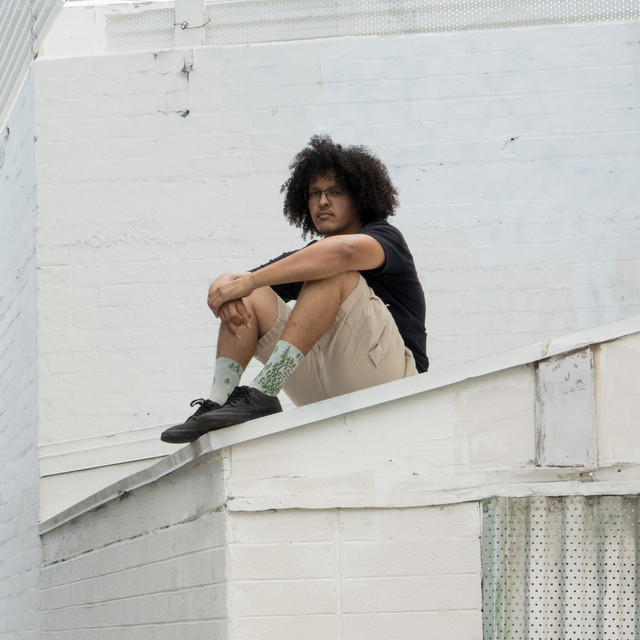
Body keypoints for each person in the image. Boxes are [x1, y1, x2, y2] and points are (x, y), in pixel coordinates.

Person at [161, 135, 428, 444]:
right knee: (251, 294)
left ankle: (265, 388)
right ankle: (217, 404)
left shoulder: (384, 238)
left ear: (360, 197)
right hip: (326, 385)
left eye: (335, 192)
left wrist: (246, 281)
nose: (323, 201)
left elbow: (342, 253)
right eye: (314, 193)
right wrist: (225, 287)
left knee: (331, 271)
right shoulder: (315, 255)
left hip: (395, 383)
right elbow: (236, 282)